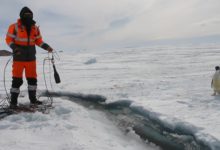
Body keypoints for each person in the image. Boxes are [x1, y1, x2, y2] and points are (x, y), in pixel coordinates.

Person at [5, 7, 53, 108]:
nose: (28, 16)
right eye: (26, 14)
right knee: (17, 80)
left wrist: (46, 47)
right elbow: (9, 39)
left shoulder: (35, 28)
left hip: (31, 59)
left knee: (32, 80)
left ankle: (33, 100)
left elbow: (38, 41)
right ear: (21, 15)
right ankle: (13, 103)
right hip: (18, 58)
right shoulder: (14, 26)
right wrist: (15, 48)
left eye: (30, 14)